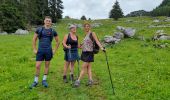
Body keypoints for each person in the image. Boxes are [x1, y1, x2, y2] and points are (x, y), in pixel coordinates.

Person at [30, 16, 60, 88]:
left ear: (51, 22)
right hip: (40, 50)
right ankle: (35, 81)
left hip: (48, 51)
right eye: (47, 20)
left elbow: (58, 41)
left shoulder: (53, 31)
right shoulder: (39, 29)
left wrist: (54, 50)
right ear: (44, 21)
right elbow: (34, 39)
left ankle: (44, 80)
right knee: (37, 66)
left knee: (47, 65)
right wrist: (34, 49)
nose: (48, 22)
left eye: (49, 21)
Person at [74, 23, 105, 87]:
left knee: (83, 67)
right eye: (85, 26)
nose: (86, 27)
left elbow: (97, 41)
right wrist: (79, 45)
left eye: (88, 26)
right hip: (84, 52)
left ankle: (78, 81)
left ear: (90, 27)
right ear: (84, 28)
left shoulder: (92, 33)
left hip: (90, 53)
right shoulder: (85, 35)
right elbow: (83, 45)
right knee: (88, 67)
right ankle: (90, 80)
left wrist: (102, 48)